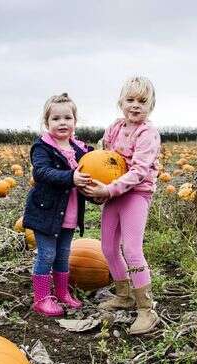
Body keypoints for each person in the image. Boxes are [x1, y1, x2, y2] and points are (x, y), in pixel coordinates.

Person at [82, 77, 161, 335]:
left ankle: (146, 309)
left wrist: (108, 189)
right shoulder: (114, 129)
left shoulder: (148, 133)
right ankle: (124, 294)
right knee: (107, 247)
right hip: (114, 195)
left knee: (132, 249)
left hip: (136, 194)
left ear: (151, 105)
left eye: (142, 101)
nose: (135, 106)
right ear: (121, 102)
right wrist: (98, 189)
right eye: (130, 100)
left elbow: (139, 171)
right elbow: (105, 160)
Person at [22, 93, 93, 317]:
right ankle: (42, 298)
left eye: (67, 118)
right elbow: (42, 172)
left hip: (69, 213)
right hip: (45, 213)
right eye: (56, 118)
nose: (62, 122)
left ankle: (62, 293)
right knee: (46, 254)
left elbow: (98, 164)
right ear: (47, 122)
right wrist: (70, 177)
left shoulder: (81, 149)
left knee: (63, 254)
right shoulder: (42, 148)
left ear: (75, 121)